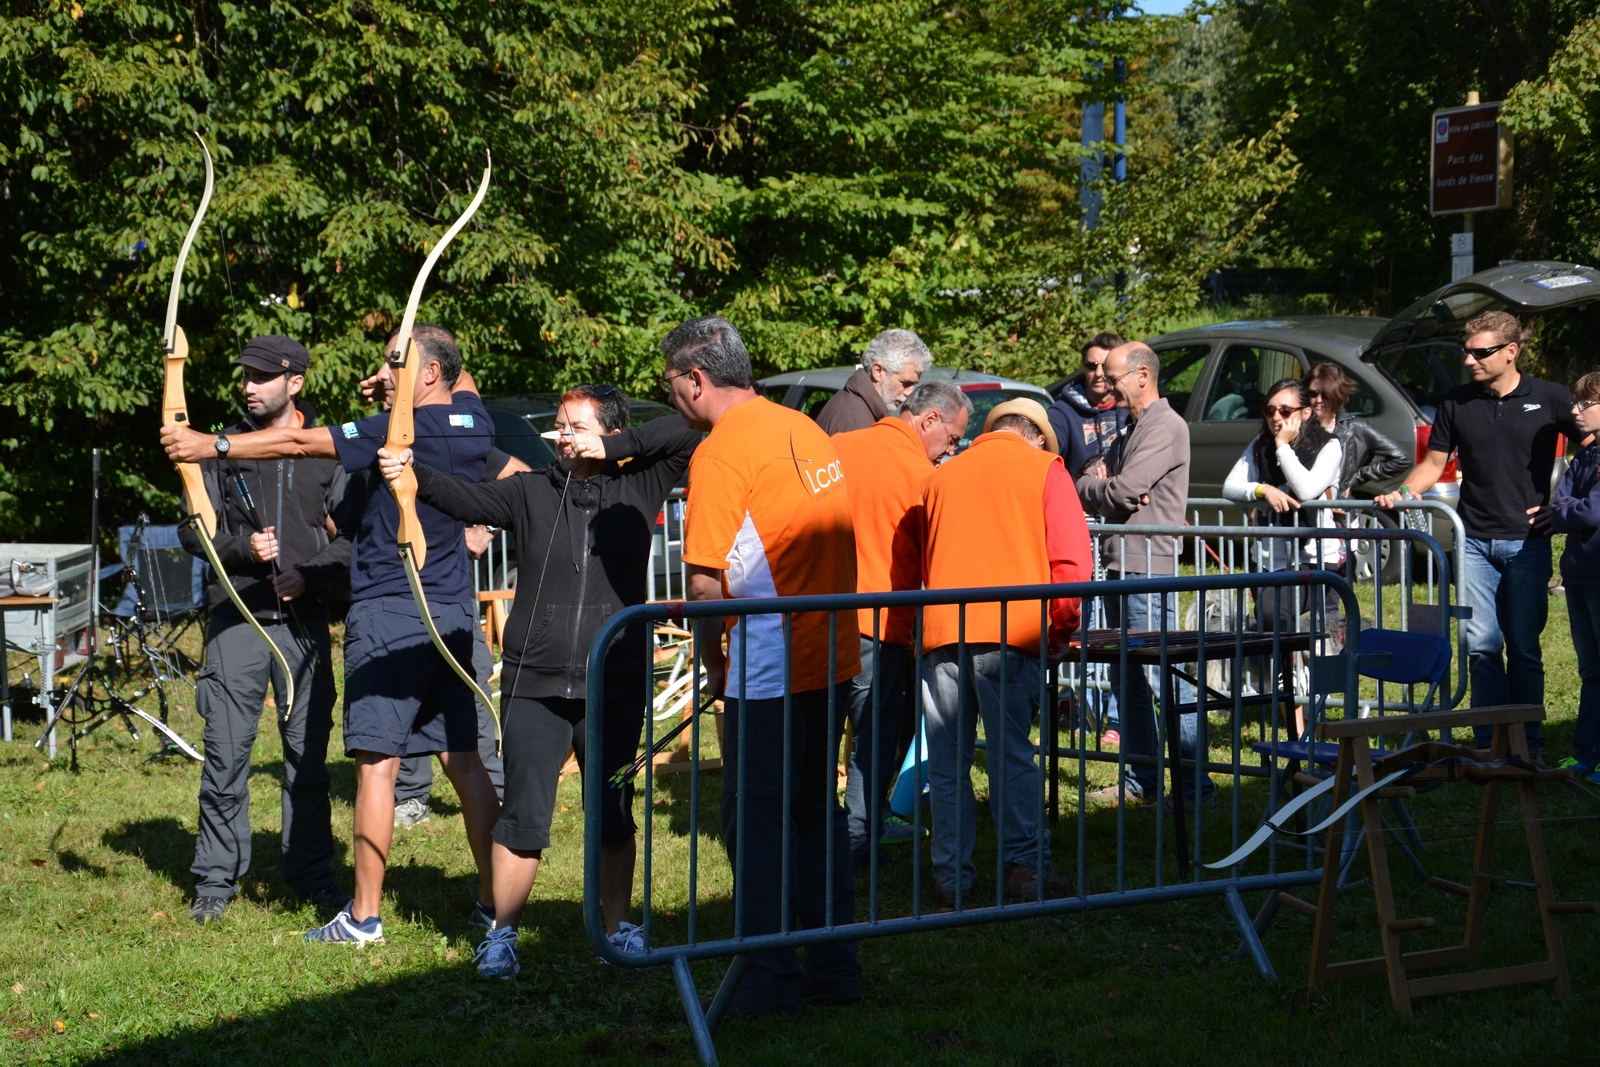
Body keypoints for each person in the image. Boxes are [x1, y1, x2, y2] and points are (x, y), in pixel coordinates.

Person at [161, 323, 503, 945]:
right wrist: (402, 378)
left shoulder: (393, 431)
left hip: (392, 610)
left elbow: (297, 441)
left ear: (429, 373)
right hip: (451, 610)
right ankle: (494, 903)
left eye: (396, 362)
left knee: (377, 765)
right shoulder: (472, 421)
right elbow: (463, 379)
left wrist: (209, 444)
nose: (385, 372)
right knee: (465, 759)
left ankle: (364, 917)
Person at [378, 385, 700, 978]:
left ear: (609, 432)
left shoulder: (640, 485)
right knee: (523, 815)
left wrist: (615, 449)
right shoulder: (529, 491)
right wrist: (411, 472)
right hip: (535, 682)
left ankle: (617, 929)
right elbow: (466, 498)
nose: (563, 436)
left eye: (577, 426)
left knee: (613, 811)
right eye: (560, 425)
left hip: (614, 681)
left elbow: (685, 430)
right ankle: (502, 935)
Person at [666, 315, 862, 1015]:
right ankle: (834, 966)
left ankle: (767, 974)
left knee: (758, 820)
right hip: (830, 655)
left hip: (773, 664)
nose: (671, 398)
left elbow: (704, 584)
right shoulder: (802, 426)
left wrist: (712, 661)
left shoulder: (721, 452)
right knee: (815, 814)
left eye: (671, 383)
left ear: (696, 378)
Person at [178, 335, 350, 923]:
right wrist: (242, 549)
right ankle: (215, 881)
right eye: (245, 376)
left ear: (294, 383)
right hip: (238, 619)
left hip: (304, 624)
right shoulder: (218, 448)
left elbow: (358, 537)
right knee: (226, 756)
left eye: (261, 377)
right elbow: (192, 529)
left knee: (308, 760)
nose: (248, 387)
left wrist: (311, 573)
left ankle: (310, 875)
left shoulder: (326, 451)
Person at [1376, 311, 1581, 758]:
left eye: (1481, 352)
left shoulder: (1551, 397)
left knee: (1523, 648)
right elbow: (1433, 464)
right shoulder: (1455, 402)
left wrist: (1563, 508)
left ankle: (1528, 744)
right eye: (1466, 352)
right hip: (1472, 543)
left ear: (1511, 352)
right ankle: (1489, 745)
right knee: (1480, 647)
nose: (1470, 360)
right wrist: (1403, 493)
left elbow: (1591, 449)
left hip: (1528, 543)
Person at [920, 397, 1092, 903]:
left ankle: (950, 878)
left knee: (947, 764)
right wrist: (1060, 632)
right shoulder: (1046, 469)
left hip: (941, 632)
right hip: (1011, 633)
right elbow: (1071, 567)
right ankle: (1026, 868)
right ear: (1037, 437)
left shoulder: (940, 476)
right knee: (1012, 754)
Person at [831, 380, 973, 865]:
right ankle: (857, 840)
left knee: (818, 738)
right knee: (873, 741)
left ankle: (820, 835)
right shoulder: (923, 477)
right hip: (881, 626)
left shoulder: (836, 447)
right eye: (952, 439)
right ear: (928, 419)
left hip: (819, 618)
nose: (950, 451)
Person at [1076, 343, 1204, 807]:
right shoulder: (1133, 427)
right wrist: (1104, 485)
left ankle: (1193, 787)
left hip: (1148, 567)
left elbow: (1124, 490)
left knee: (1164, 677)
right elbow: (1094, 482)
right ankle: (1143, 781)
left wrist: (1107, 486)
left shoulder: (1164, 426)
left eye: (1114, 378)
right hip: (1122, 563)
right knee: (1127, 678)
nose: (1106, 386)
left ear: (1143, 375)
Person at [392, 452, 533, 829]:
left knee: (473, 690)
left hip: (452, 593)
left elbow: (523, 476)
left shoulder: (454, 436)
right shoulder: (378, 436)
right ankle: (410, 795)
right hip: (394, 593)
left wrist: (485, 526)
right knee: (403, 691)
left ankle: (496, 789)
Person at [1222, 378, 1344, 634]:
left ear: (1306, 413)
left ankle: (1299, 660)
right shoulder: (1260, 444)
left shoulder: (1329, 445)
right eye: (1270, 410)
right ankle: (1290, 661)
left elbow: (1306, 490)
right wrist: (1262, 490)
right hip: (1266, 558)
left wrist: (1282, 446)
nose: (1276, 417)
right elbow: (1230, 486)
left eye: (1286, 411)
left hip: (1313, 558)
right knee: (1270, 625)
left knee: (1275, 612)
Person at [1537, 371, 1600, 782]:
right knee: (1591, 671)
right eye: (1575, 402)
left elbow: (1591, 510)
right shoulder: (1584, 457)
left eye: (1585, 403)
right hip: (1578, 575)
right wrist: (1567, 511)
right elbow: (1562, 502)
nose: (1575, 410)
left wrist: (1564, 513)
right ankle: (1587, 755)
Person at [1304, 362, 1409, 496]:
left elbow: (1402, 458)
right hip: (1302, 505)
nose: (1318, 400)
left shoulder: (1356, 427)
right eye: (1313, 393)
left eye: (1325, 395)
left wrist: (1357, 478)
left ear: (1337, 394)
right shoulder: (1299, 424)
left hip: (1337, 505)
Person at [815, 328, 932, 434]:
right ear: (878, 371)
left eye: (913, 384)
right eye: (905, 383)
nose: (910, 392)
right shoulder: (856, 423)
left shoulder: (854, 406)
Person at [1046, 331, 1129, 479]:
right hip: (1078, 492)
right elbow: (1044, 464)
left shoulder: (1130, 409)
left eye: (1105, 366)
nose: (1098, 373)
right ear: (1083, 366)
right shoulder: (1061, 414)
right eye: (1091, 365)